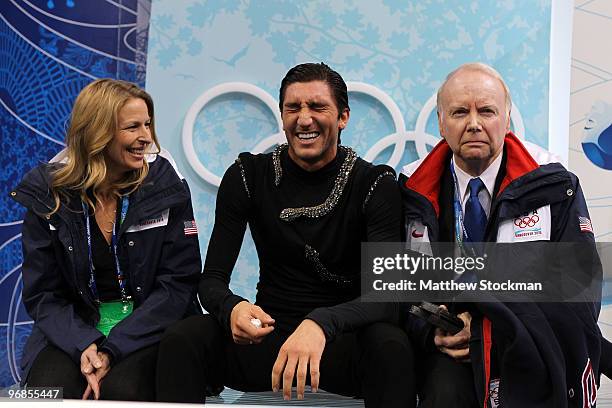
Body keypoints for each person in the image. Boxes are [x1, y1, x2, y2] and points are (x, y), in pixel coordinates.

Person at [156, 62, 415, 407]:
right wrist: (232, 308)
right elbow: (212, 281)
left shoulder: (375, 184)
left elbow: (386, 298)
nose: (304, 119)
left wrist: (320, 324)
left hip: (343, 339)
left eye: (318, 106)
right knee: (184, 338)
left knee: (391, 345)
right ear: (282, 116)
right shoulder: (247, 176)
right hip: (269, 337)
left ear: (343, 117)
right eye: (293, 107)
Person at [399, 63, 602, 407]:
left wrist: (487, 330)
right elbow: (397, 286)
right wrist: (432, 331)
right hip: (450, 351)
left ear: (506, 119)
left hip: (528, 346)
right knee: (441, 393)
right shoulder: (409, 189)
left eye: (487, 111)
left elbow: (579, 291)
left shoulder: (555, 184)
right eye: (460, 111)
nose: (474, 123)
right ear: (441, 122)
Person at [10, 79, 202, 400]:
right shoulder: (48, 195)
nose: (146, 138)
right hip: (75, 329)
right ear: (98, 134)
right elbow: (43, 293)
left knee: (121, 391)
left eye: (148, 125)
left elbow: (178, 284)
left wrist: (113, 349)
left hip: (150, 328)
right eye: (132, 128)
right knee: (53, 394)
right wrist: (85, 343)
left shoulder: (166, 185)